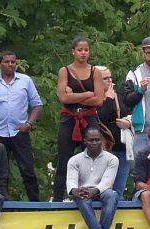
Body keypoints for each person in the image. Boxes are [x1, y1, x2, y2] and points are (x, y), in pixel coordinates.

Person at [0, 50, 43, 201]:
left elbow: (37, 105)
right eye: (6, 62)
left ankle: (35, 204)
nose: (10, 64)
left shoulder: (25, 81)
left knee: (27, 169)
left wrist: (29, 123)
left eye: (13, 62)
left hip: (19, 132)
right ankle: (1, 203)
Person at [52, 36, 105, 201]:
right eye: (80, 50)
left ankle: (91, 196)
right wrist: (87, 94)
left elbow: (99, 100)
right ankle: (57, 200)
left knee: (92, 158)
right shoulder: (64, 71)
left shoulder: (95, 71)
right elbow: (63, 98)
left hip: (89, 118)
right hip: (69, 118)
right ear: (73, 51)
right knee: (64, 160)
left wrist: (73, 96)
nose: (83, 53)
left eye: (86, 50)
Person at [66, 126, 118, 229]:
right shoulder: (74, 160)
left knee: (112, 195)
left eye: (97, 139)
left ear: (102, 140)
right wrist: (75, 190)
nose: (94, 143)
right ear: (85, 141)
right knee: (81, 198)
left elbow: (108, 181)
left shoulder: (112, 159)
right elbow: (71, 180)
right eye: (91, 140)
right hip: (83, 191)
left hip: (103, 190)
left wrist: (95, 190)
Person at [95, 64, 130, 196]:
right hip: (101, 149)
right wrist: (108, 99)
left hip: (120, 146)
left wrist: (128, 122)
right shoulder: (92, 98)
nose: (109, 81)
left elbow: (129, 113)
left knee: (118, 189)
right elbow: (100, 118)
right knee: (102, 189)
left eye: (110, 77)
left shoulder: (118, 97)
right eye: (105, 78)